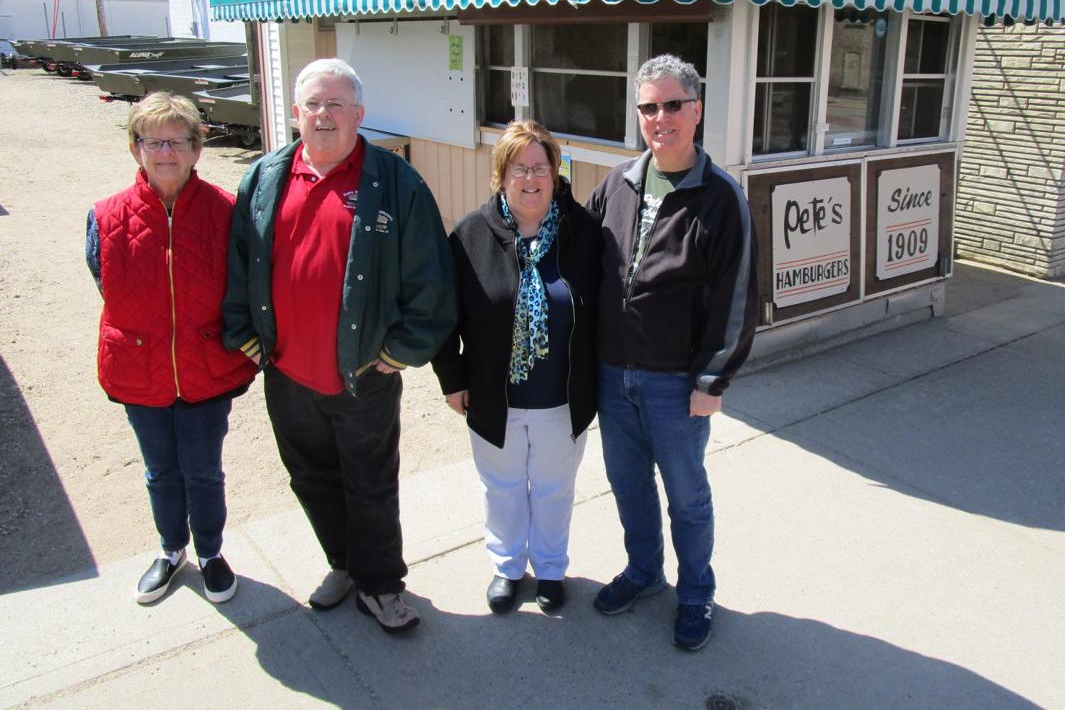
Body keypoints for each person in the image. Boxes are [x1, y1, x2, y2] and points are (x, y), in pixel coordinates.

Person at [222, 58, 456, 635]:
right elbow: (237, 266)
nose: (323, 115)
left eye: (336, 104)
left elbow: (431, 278)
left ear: (359, 113)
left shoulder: (396, 182)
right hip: (287, 373)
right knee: (310, 477)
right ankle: (343, 564)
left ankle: (381, 586)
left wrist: (401, 352)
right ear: (296, 112)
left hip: (363, 376)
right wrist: (249, 340)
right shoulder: (264, 178)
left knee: (370, 483)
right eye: (312, 104)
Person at [587, 54, 758, 651]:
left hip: (675, 382)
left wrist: (712, 379)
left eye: (673, 105)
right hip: (613, 374)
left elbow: (737, 298)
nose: (661, 118)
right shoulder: (616, 183)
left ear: (697, 111)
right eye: (649, 107)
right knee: (628, 484)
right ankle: (643, 573)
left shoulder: (720, 197)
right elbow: (588, 271)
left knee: (686, 495)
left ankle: (695, 593)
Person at [86, 92, 256, 606]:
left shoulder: (227, 211)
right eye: (153, 141)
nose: (166, 152)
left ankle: (210, 553)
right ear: (136, 148)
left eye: (177, 141)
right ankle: (170, 550)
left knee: (204, 471)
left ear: (197, 148)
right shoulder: (105, 216)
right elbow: (105, 279)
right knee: (160, 470)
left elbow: (243, 286)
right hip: (141, 369)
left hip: (206, 367)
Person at [433, 121, 600, 615]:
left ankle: (550, 569)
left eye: (540, 168)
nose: (531, 179)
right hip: (493, 397)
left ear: (555, 174)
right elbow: (446, 314)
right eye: (519, 168)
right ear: (501, 175)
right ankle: (507, 567)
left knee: (554, 490)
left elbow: (607, 308)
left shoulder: (584, 234)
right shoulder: (470, 235)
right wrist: (452, 379)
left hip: (562, 398)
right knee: (502, 490)